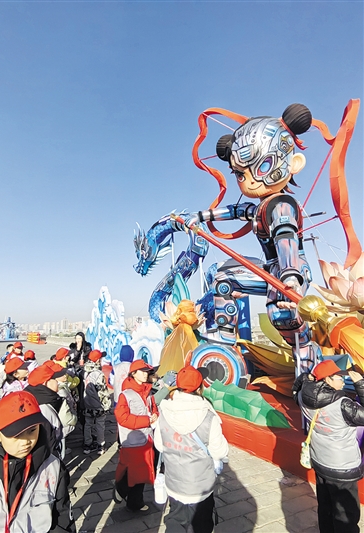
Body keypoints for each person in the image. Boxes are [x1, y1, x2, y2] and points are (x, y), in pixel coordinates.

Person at [185, 104, 320, 373]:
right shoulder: (260, 207)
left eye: (263, 166)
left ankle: (308, 358)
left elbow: (286, 239)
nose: (250, 181)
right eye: (241, 174)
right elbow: (235, 211)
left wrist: (290, 276)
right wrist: (200, 216)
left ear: (293, 164)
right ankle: (224, 341)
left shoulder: (282, 205)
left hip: (291, 269)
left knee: (281, 315)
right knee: (223, 279)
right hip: (271, 270)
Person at [0, 390, 75, 532]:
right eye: (16, 435)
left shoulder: (54, 468)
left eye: (32, 431)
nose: (26, 441)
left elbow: (62, 521)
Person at [154, 365, 229, 533]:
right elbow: (220, 452)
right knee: (201, 525)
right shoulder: (209, 417)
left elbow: (159, 445)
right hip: (200, 488)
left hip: (174, 484)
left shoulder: (164, 412)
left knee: (175, 522)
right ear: (200, 388)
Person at [293, 360, 364, 533]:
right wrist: (360, 385)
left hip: (320, 460)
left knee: (326, 507)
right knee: (346, 515)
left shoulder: (303, 397)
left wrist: (307, 377)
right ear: (327, 380)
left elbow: (296, 387)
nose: (343, 382)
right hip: (341, 466)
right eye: (339, 378)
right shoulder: (343, 405)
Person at [113, 359, 159, 512]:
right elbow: (122, 417)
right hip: (133, 440)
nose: (146, 374)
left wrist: (155, 415)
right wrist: (146, 420)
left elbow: (153, 408)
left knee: (142, 472)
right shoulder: (126, 394)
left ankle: (134, 501)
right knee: (134, 472)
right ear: (133, 373)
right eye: (143, 371)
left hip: (147, 438)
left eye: (147, 372)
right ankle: (122, 490)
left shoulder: (148, 391)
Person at [27, 362, 66, 455]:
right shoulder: (43, 407)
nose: (57, 382)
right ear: (45, 383)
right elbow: (50, 437)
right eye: (54, 380)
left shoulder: (37, 397)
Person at [82, 350, 112, 455]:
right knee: (100, 424)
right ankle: (100, 445)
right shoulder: (98, 374)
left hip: (87, 402)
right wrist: (107, 405)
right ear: (98, 360)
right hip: (98, 404)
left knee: (88, 424)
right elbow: (102, 392)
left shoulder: (84, 371)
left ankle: (87, 445)